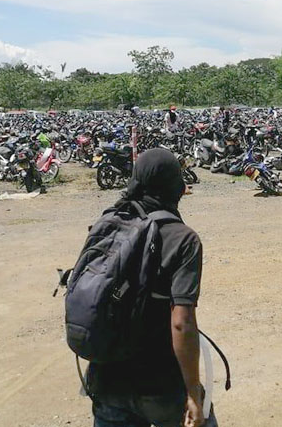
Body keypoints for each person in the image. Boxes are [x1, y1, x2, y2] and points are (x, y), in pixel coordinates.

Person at [86, 149, 214, 427]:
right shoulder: (182, 238)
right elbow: (181, 323)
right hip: (161, 383)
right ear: (176, 187)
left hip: (107, 381)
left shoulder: (107, 224)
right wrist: (193, 392)